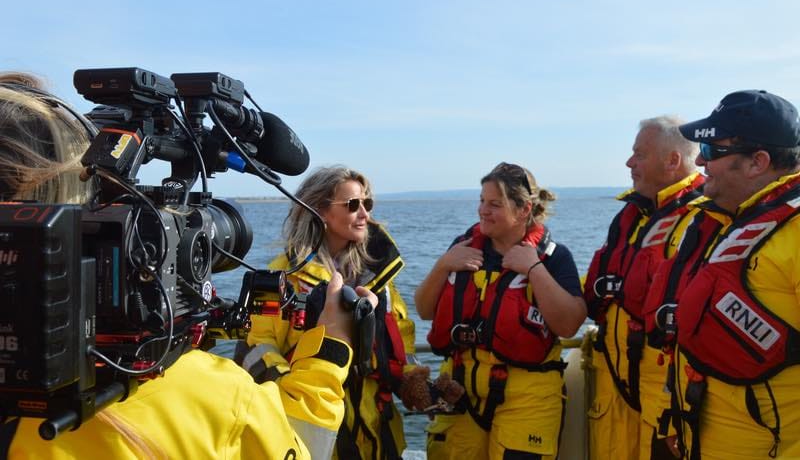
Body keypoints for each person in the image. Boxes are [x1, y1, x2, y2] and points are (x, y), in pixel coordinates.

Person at [0, 75, 375, 459]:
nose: (363, 213)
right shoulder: (205, 400)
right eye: (102, 205)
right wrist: (330, 351)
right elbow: (298, 438)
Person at [650, 90, 800, 459]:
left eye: (714, 151)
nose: (700, 160)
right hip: (697, 434)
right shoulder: (719, 223)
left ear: (757, 162)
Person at [242, 166, 419, 460]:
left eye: (367, 204)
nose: (364, 214)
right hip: (313, 425)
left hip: (376, 428)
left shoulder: (378, 276)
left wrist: (414, 382)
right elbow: (256, 347)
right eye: (353, 205)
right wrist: (298, 391)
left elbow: (402, 339)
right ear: (321, 211)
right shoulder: (284, 278)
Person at [415, 161, 586, 459]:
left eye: (495, 204)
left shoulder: (554, 257)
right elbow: (425, 309)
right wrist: (444, 264)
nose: (483, 210)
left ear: (523, 210)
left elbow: (569, 324)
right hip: (461, 392)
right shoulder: (464, 248)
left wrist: (533, 268)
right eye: (482, 201)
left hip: (527, 400)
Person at [584, 116, 703, 459]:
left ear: (672, 161)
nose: (628, 163)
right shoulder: (632, 216)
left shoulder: (704, 219)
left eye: (639, 154)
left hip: (666, 399)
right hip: (616, 390)